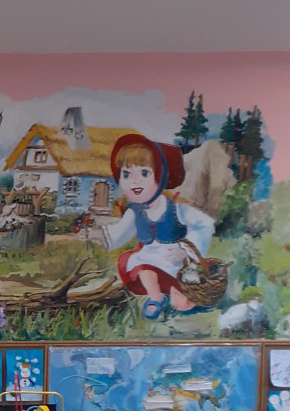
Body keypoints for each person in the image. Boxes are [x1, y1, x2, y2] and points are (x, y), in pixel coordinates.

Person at [86, 133, 215, 320]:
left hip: (175, 261)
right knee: (143, 267)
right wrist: (94, 234)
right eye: (126, 174)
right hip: (149, 259)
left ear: (160, 177)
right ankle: (155, 297)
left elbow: (204, 224)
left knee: (183, 304)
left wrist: (185, 250)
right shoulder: (135, 211)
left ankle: (174, 293)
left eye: (144, 173)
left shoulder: (175, 208)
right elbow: (119, 232)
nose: (135, 181)